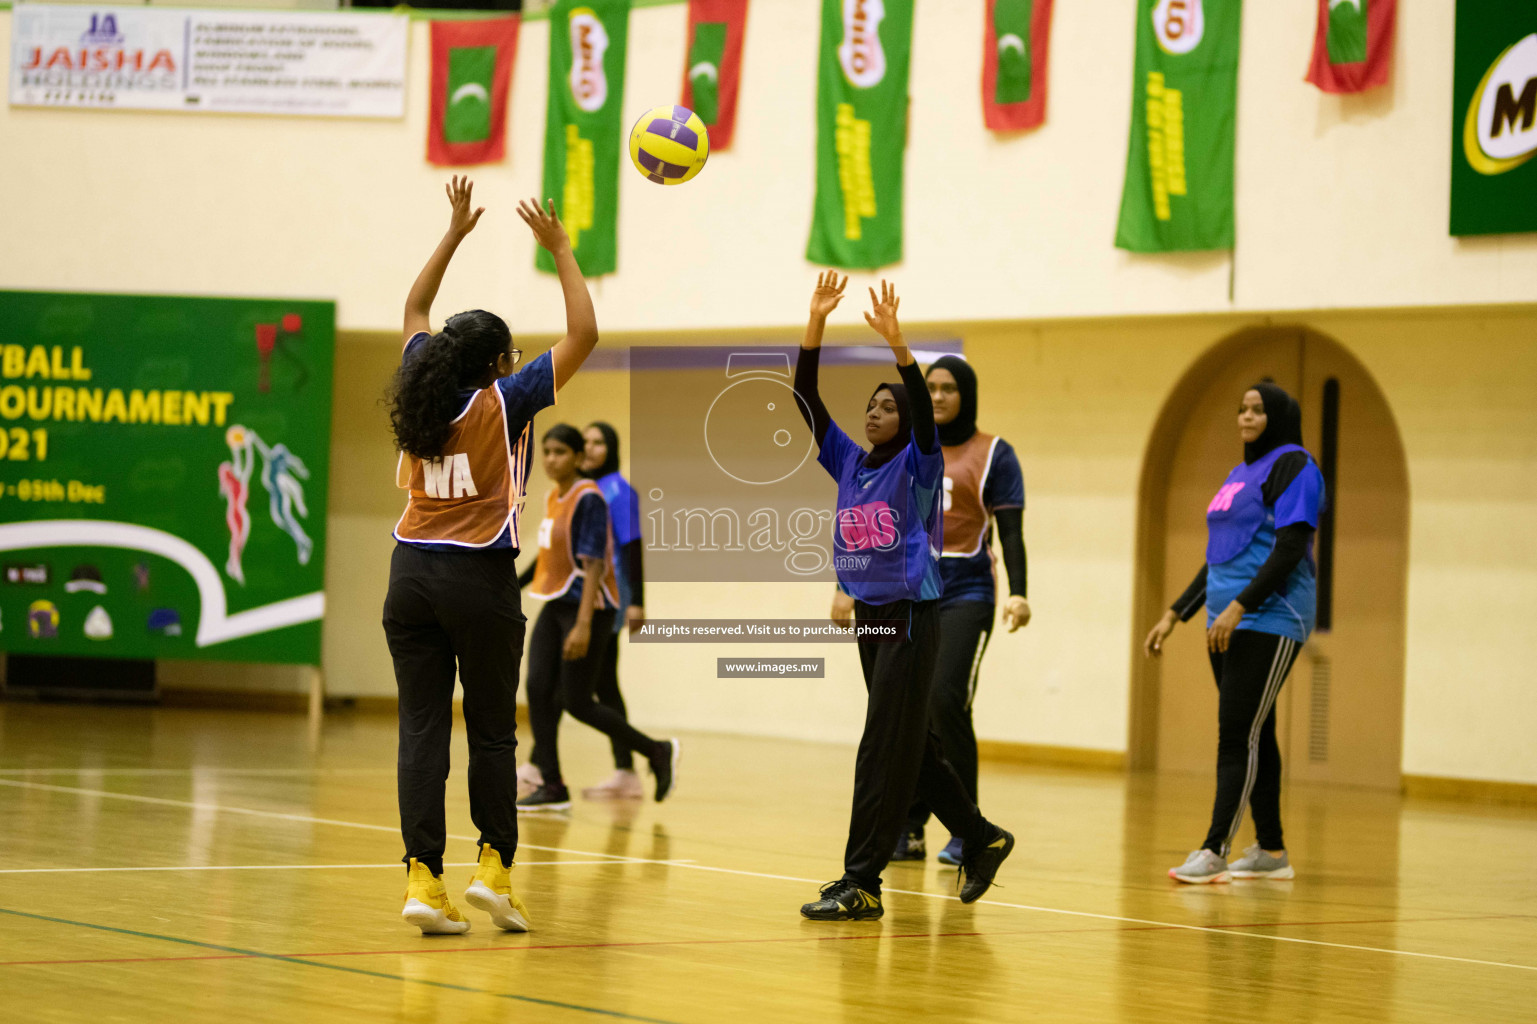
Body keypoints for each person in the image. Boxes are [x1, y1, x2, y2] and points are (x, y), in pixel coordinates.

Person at [384, 176, 598, 935]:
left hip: (407, 575)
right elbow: (584, 335)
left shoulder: (418, 381)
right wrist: (563, 252)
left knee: (419, 728)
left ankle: (421, 880)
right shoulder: (502, 401)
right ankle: (495, 872)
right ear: (499, 365)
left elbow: (415, 311)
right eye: (510, 353)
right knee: (492, 731)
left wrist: (451, 235)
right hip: (475, 576)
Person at [793, 272, 1015, 922]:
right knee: (908, 742)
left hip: (914, 615)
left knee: (880, 747)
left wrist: (898, 348)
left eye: (886, 406)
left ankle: (861, 881)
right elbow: (804, 398)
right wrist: (815, 324)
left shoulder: (918, 463)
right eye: (869, 405)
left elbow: (919, 407)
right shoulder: (849, 462)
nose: (873, 412)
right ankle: (980, 836)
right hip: (871, 615)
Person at [833, 354, 1030, 868]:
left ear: (967, 394)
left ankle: (965, 831)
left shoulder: (992, 453)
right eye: (933, 388)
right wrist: (845, 585)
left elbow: (1010, 530)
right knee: (907, 715)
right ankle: (925, 827)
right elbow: (865, 522)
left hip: (965, 589)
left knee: (943, 700)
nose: (938, 396)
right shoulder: (897, 453)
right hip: (902, 592)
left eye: (949, 388)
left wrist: (1020, 589)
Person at [1143, 381, 1324, 884]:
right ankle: (1271, 850)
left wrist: (1243, 605)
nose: (1246, 417)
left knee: (1236, 733)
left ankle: (1214, 849)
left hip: (1272, 614)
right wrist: (1175, 614)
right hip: (1223, 618)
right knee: (1256, 730)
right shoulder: (1239, 473)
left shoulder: (1296, 466)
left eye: (1258, 410)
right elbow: (1220, 557)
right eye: (1241, 408)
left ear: (1279, 417)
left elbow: (1289, 548)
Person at [517, 423, 679, 811]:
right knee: (541, 688)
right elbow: (551, 555)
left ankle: (651, 752)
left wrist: (628, 603)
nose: (552, 459)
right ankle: (552, 780)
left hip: (595, 604)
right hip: (559, 603)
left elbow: (610, 556)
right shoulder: (555, 496)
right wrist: (514, 583)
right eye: (547, 451)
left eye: (563, 451)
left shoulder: (606, 495)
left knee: (580, 698)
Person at [582, 421, 648, 799]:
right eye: (586, 441)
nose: (590, 448)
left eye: (598, 442)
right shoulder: (585, 489)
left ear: (611, 448)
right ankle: (626, 770)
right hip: (586, 598)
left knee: (586, 683)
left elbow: (633, 546)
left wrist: (638, 601)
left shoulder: (618, 491)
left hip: (610, 596)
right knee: (605, 682)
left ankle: (545, 768)